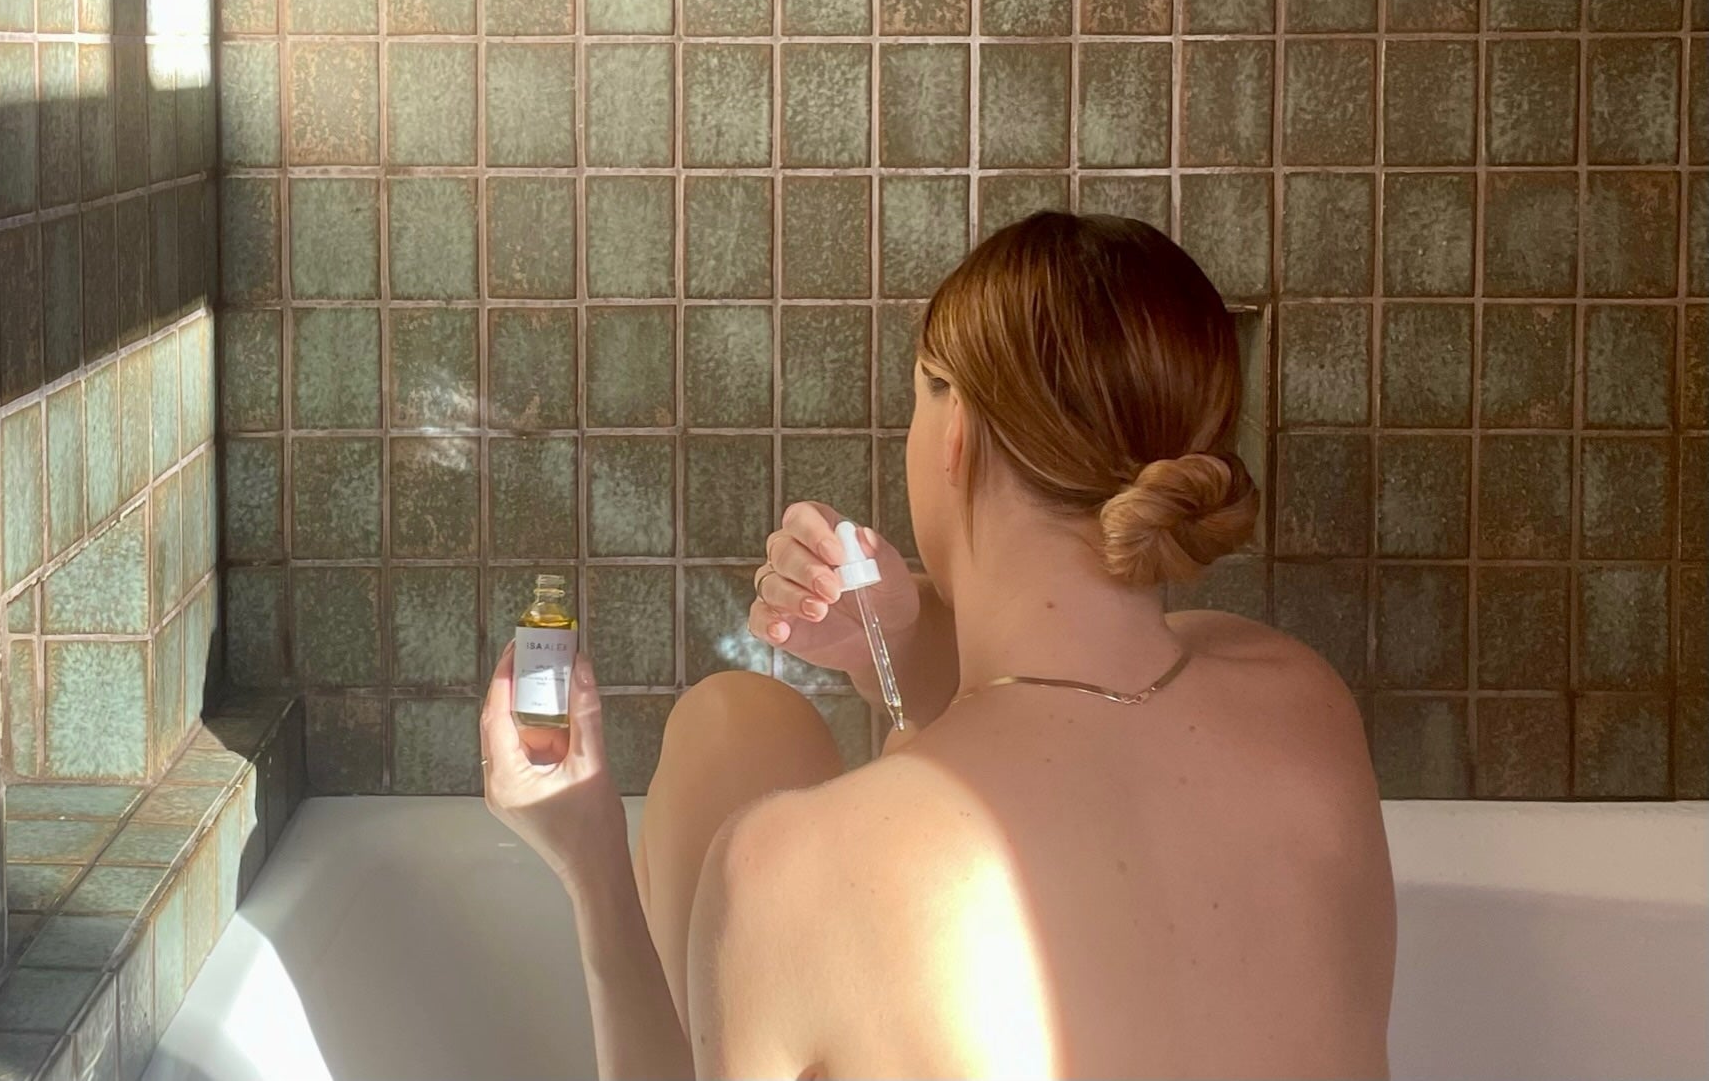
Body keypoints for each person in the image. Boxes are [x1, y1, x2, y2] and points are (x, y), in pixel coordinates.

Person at [481, 212, 1396, 1080]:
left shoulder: (787, 868)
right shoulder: (1300, 695)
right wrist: (903, 638)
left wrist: (592, 865)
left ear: (955, 433)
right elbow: (1066, 743)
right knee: (739, 722)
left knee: (728, 741)